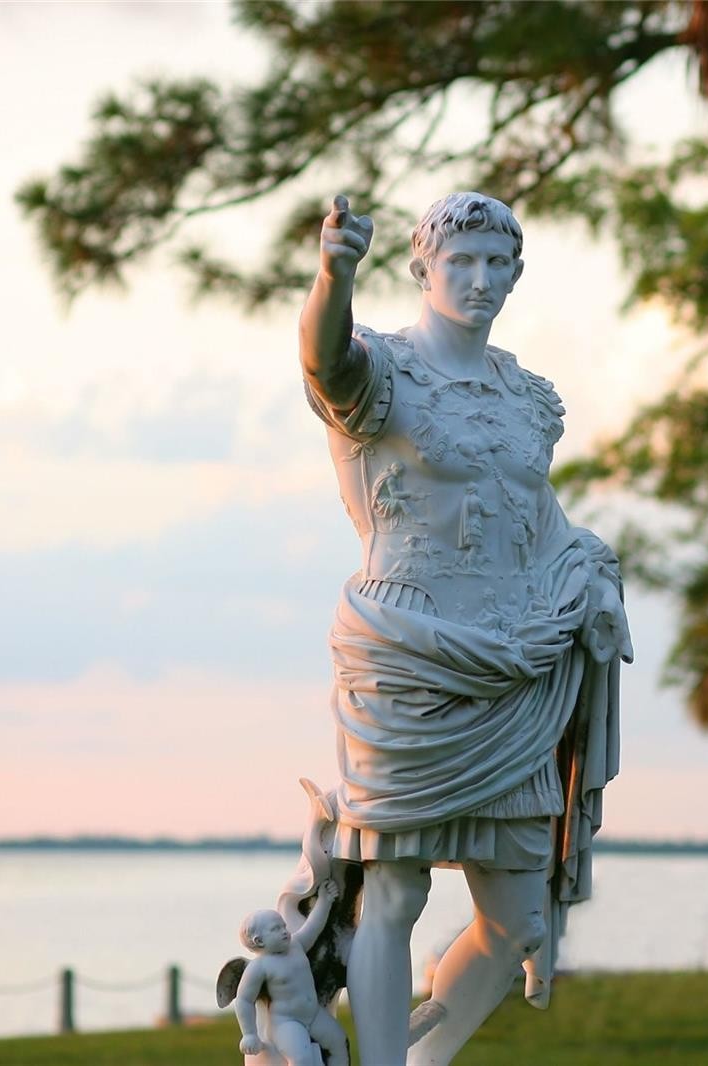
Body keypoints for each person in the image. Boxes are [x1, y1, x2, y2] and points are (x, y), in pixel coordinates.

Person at [300, 191, 631, 1065]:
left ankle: (422, 1058)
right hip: (409, 654)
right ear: (423, 269)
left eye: (496, 264)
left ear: (516, 275)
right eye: (461, 262)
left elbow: (538, 517)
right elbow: (324, 358)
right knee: (393, 893)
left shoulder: (528, 398)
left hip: (516, 674)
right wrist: (334, 273)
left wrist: (588, 571)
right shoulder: (383, 372)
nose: (480, 280)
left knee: (519, 919)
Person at [232, 880, 349, 1066]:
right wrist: (249, 1034)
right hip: (287, 1023)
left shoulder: (296, 945)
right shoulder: (260, 967)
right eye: (276, 929)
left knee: (339, 1042)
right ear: (259, 941)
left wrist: (324, 901)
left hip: (313, 1014)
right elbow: (244, 1000)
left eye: (283, 926)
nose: (284, 931)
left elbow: (313, 926)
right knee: (301, 1060)